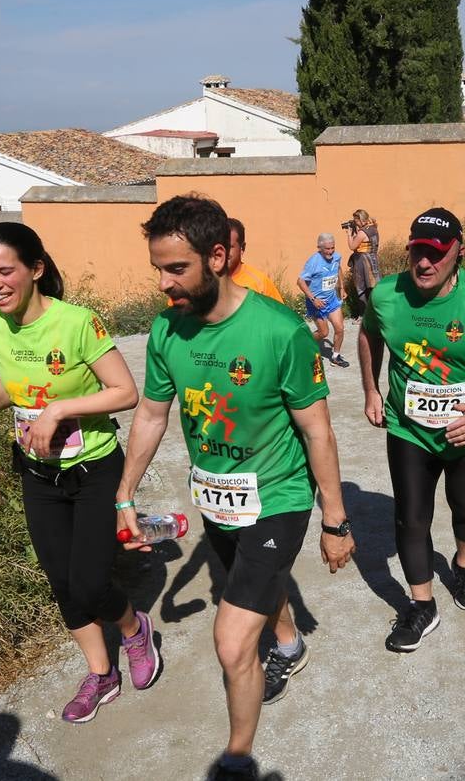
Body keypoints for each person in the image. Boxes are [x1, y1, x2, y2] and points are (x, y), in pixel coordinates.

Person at [119, 195, 355, 781]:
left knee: (230, 641)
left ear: (218, 257)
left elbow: (317, 430)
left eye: (176, 269)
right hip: (217, 499)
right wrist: (123, 495)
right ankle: (290, 643)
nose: (163, 284)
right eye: (158, 270)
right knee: (254, 588)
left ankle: (238, 757)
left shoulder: (280, 332)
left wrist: (335, 520)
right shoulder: (165, 331)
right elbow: (151, 415)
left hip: (278, 498)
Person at [0, 222, 160, 725]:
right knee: (61, 581)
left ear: (36, 270)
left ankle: (135, 630)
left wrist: (59, 410)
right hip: (38, 472)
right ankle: (102, 673)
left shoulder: (78, 322)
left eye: (5, 271)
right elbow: (7, 380)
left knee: (92, 584)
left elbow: (125, 392)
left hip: (94, 467)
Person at [359, 208, 465, 652]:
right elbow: (368, 334)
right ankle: (422, 605)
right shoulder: (386, 295)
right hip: (408, 427)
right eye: (418, 251)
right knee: (411, 515)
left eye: (437, 253)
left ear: (459, 252)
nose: (424, 263)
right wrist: (372, 390)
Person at [297, 232, 348, 368]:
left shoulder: (336, 257)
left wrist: (342, 288)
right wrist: (313, 299)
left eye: (333, 248)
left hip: (331, 300)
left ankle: (336, 357)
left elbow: (338, 269)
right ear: (319, 247)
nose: (330, 252)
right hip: (316, 303)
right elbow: (300, 281)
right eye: (327, 249)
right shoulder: (313, 261)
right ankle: (303, 343)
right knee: (323, 333)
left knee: (340, 328)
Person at [227, 217, 284, 303]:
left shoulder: (260, 283)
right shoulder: (207, 280)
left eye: (229, 247)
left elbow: (278, 314)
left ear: (242, 248)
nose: (222, 252)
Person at [345, 209, 381, 305]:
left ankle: (364, 312)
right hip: (373, 259)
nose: (355, 223)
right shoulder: (373, 228)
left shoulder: (362, 233)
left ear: (361, 220)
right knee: (373, 285)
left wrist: (349, 235)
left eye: (356, 220)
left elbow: (352, 246)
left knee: (361, 287)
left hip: (363, 262)